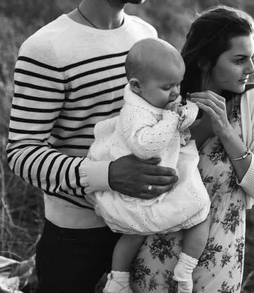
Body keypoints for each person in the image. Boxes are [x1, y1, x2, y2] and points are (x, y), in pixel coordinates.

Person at [5, 0, 178, 293]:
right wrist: (109, 175)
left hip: (145, 226)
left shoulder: (145, 36)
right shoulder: (47, 48)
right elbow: (21, 152)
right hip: (75, 239)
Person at [131, 5, 254, 293]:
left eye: (251, 58)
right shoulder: (167, 100)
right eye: (239, 60)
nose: (251, 69)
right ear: (204, 61)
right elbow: (144, 178)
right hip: (154, 257)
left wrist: (225, 131)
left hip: (217, 263)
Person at [88, 38, 211, 293]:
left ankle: (181, 270)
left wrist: (183, 116)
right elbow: (146, 146)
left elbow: (176, 124)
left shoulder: (153, 100)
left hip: (152, 181)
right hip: (137, 188)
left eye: (178, 83)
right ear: (136, 86)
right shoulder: (135, 112)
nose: (176, 92)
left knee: (142, 231)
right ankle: (119, 280)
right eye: (168, 87)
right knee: (196, 209)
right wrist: (171, 118)